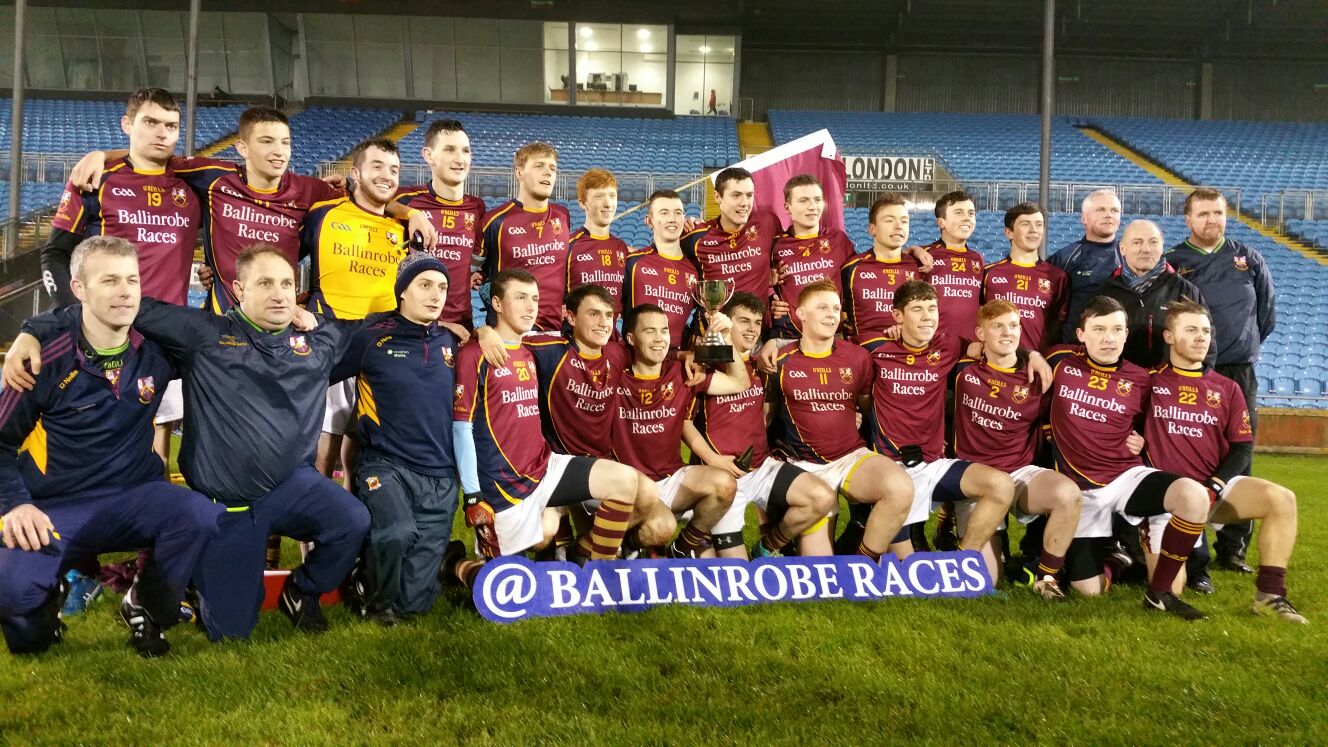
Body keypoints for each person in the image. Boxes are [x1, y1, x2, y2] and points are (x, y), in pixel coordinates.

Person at [6, 244, 371, 640]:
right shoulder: (202, 333)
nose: (278, 294)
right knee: (230, 633)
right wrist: (34, 330)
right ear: (238, 290)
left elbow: (380, 332)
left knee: (352, 519)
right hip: (227, 506)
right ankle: (191, 577)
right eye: (265, 283)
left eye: (286, 284)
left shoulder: (318, 339)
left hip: (292, 487)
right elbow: (111, 305)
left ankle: (303, 590)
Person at [0, 237, 221, 657]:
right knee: (14, 600)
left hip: (134, 496)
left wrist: (298, 315)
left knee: (199, 516)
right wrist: (16, 505)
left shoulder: (159, 350)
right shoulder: (41, 359)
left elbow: (222, 333)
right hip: (55, 507)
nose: (125, 291)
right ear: (79, 288)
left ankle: (145, 604)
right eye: (109, 281)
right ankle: (47, 601)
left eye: (132, 280)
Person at [446, 270, 668, 584]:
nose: (530, 307)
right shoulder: (476, 355)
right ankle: (454, 564)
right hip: (504, 489)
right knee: (498, 583)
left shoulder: (529, 350)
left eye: (535, 299)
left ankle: (601, 576)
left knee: (626, 481)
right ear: (496, 303)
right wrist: (472, 496)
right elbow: (461, 429)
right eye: (520, 298)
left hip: (544, 468)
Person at [42, 87, 201, 465]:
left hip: (165, 340)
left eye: (171, 126)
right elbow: (54, 254)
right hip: (106, 337)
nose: (162, 133)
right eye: (150, 122)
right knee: (93, 443)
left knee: (156, 448)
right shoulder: (96, 181)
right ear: (127, 124)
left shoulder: (193, 182)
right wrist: (75, 316)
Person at [1045, 295, 1212, 619]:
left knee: (1193, 496)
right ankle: (1117, 558)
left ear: (1125, 335)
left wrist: (1144, 438)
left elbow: (1156, 422)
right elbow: (1021, 360)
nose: (1108, 338)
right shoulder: (1059, 360)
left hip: (1126, 477)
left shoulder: (1142, 379)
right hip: (1080, 492)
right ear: (1081, 334)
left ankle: (1159, 593)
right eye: (1099, 329)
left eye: (1116, 329)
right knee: (1088, 590)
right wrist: (1032, 357)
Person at [1143, 300, 1304, 622]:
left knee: (1282, 499)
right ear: (1169, 337)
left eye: (1205, 331)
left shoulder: (1227, 388)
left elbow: (1242, 447)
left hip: (1212, 490)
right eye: (1191, 330)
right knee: (1171, 589)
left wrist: (1215, 485)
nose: (1201, 337)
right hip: (1167, 499)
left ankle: (1270, 595)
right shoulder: (1147, 382)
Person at [330, 253, 461, 626]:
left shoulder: (453, 342)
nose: (435, 295)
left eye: (442, 287)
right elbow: (315, 372)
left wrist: (483, 332)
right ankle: (371, 596)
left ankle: (438, 563)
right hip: (385, 464)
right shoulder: (370, 338)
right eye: (425, 285)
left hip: (440, 474)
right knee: (396, 532)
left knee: (414, 604)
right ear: (402, 291)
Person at [858, 280, 1015, 583]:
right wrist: (774, 343)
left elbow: (999, 346)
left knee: (1001, 485)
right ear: (897, 315)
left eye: (931, 308)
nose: (927, 316)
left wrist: (1033, 356)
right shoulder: (873, 346)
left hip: (934, 464)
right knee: (913, 574)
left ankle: (961, 560)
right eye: (917, 309)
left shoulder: (949, 345)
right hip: (892, 471)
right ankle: (873, 553)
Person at [1167, 187, 1276, 575]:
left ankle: (1233, 548)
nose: (1211, 220)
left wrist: (1242, 344)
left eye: (1217, 213)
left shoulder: (1248, 257)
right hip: (1194, 374)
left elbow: (1266, 315)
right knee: (1186, 455)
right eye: (1203, 214)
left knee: (1240, 456)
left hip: (1239, 373)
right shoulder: (1173, 261)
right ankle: (1187, 541)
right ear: (1188, 220)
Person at [766, 280, 917, 562]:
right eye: (822, 308)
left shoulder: (858, 357)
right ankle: (770, 542)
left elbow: (867, 406)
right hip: (805, 465)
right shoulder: (779, 361)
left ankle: (863, 563)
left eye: (836, 309)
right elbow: (765, 417)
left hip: (850, 457)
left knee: (900, 488)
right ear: (801, 314)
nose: (831, 315)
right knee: (820, 569)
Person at [686, 293, 838, 558]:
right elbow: (684, 422)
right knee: (735, 571)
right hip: (722, 475)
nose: (752, 329)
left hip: (760, 467)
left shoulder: (763, 366)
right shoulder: (704, 366)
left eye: (757, 322)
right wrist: (712, 459)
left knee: (822, 498)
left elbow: (768, 413)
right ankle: (696, 540)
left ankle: (767, 547)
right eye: (743, 321)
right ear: (726, 323)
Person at [952, 299, 1083, 600]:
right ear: (980, 333)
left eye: (1013, 326)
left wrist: (1032, 355)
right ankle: (968, 544)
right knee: (987, 579)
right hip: (976, 478)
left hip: (1019, 473)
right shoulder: (962, 369)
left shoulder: (1039, 377)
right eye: (997, 326)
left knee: (1068, 494)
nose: (1007, 332)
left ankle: (1047, 577)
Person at [306, 138, 411, 482]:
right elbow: (280, 253)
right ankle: (315, 516)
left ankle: (353, 514)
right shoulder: (323, 214)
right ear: (355, 173)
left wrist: (413, 213)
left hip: (380, 348)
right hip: (332, 340)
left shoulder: (404, 227)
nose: (386, 175)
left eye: (394, 169)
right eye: (377, 166)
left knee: (364, 451)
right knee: (323, 454)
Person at [394, 118, 486, 336]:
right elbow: (371, 198)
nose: (460, 159)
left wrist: (471, 274)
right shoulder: (406, 200)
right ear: (428, 155)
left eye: (465, 151)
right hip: (415, 328)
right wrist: (411, 213)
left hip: (461, 327)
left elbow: (476, 256)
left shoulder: (476, 207)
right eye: (449, 150)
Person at [476, 142, 572, 332]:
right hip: (511, 331)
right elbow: (471, 272)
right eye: (539, 166)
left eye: (552, 168)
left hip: (555, 330)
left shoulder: (563, 216)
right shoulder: (494, 221)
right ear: (519, 173)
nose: (548, 172)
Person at [1092, 220, 1208, 369]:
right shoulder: (1104, 292)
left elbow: (1206, 344)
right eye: (1137, 242)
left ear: (1162, 247)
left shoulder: (1185, 291)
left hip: (1171, 380)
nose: (1146, 249)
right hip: (1118, 379)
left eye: (1153, 242)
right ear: (1122, 249)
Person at [768, 174, 857, 341]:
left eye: (817, 199)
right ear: (787, 207)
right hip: (789, 338)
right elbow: (758, 285)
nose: (812, 206)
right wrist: (769, 302)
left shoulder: (838, 239)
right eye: (803, 201)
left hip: (834, 336)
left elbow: (858, 278)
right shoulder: (775, 245)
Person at [680, 167, 783, 301]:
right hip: (713, 314)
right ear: (717, 197)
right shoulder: (695, 234)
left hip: (759, 315)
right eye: (736, 195)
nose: (744, 203)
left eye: (749, 195)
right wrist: (679, 226)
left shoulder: (767, 222)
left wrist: (773, 296)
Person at [982, 202, 1069, 352]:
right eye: (1025, 224)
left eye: (1039, 224)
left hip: (1037, 361)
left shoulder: (1057, 277)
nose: (1033, 230)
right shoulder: (989, 273)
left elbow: (1057, 326)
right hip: (995, 359)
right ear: (1009, 232)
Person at [622, 190, 702, 350]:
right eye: (664, 213)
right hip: (636, 357)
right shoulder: (632, 263)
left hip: (678, 358)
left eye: (678, 213)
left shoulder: (695, 269)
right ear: (649, 221)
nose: (672, 219)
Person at [840, 194, 921, 343]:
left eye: (904, 221)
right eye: (889, 220)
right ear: (872, 229)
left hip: (908, 352)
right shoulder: (851, 268)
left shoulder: (919, 266)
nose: (899, 226)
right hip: (864, 351)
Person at [1049, 189, 1122, 343]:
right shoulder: (1065, 258)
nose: (1109, 215)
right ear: (1084, 218)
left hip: (1119, 348)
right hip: (1074, 348)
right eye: (1100, 210)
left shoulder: (1132, 256)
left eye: (1114, 210)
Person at [916, 190, 985, 336]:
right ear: (941, 222)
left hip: (970, 343)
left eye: (971, 213)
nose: (967, 218)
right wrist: (913, 250)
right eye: (959, 213)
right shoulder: (924, 255)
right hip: (933, 343)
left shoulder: (977, 259)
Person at [567, 169, 629, 318]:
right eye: (599, 196)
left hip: (611, 331)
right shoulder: (568, 246)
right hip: (575, 332)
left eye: (612, 196)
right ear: (583, 203)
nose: (608, 203)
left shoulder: (621, 247)